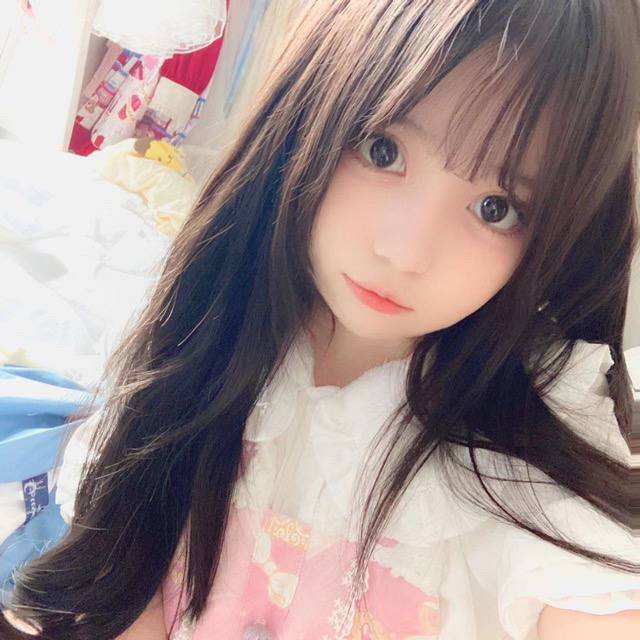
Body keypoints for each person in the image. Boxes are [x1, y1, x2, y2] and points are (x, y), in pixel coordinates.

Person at [2, 1, 640, 638]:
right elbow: (126, 554)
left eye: (496, 208)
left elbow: (596, 588)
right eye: (383, 150)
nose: (404, 251)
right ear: (307, 114)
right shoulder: (211, 329)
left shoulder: (533, 427)